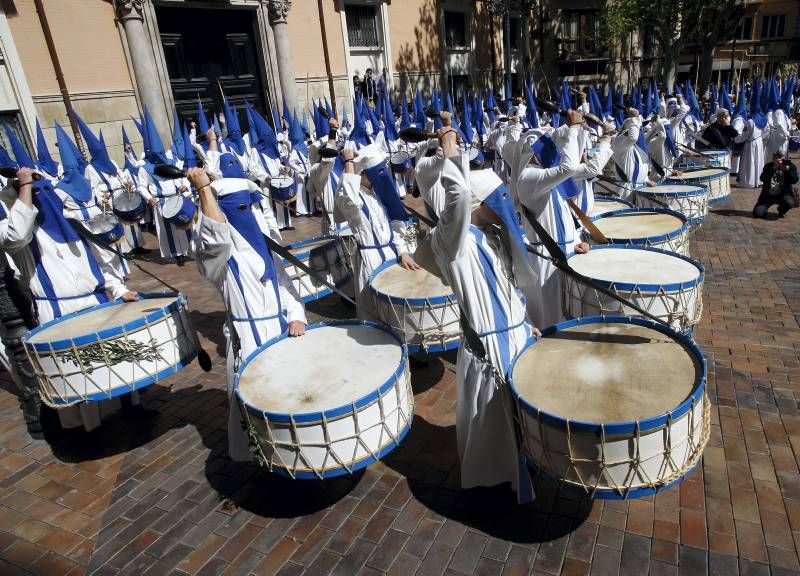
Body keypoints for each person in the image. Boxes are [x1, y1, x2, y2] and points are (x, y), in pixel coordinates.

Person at [412, 111, 541, 503]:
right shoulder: (453, 242)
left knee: (516, 427)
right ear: (479, 202)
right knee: (492, 433)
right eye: (498, 198)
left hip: (514, 338)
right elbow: (454, 198)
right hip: (487, 348)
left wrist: (525, 323)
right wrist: (449, 147)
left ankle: (518, 474)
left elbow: (507, 288)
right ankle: (494, 487)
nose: (506, 204)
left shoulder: (488, 235)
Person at [186, 160, 306, 462]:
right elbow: (214, 239)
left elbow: (287, 287)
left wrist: (296, 315)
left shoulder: (264, 247)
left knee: (290, 403)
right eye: (240, 209)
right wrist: (204, 190)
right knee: (255, 413)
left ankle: (294, 458)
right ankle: (264, 463)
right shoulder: (221, 260)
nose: (248, 214)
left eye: (249, 208)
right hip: (248, 342)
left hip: (281, 335)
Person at [335, 144, 418, 319]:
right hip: (369, 260)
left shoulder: (378, 193)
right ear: (362, 173)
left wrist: (402, 251)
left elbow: (396, 223)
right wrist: (349, 161)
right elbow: (350, 201)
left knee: (396, 311)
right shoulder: (349, 195)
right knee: (373, 311)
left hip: (391, 256)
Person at [752, 151, 798, 219]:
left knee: (790, 203)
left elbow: (794, 180)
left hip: (783, 194)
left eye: (782, 159)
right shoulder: (768, 166)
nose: (780, 161)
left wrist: (788, 171)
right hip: (768, 195)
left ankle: (781, 210)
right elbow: (762, 178)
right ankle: (763, 210)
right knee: (758, 214)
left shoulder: (790, 166)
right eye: (777, 158)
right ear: (773, 159)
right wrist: (773, 169)